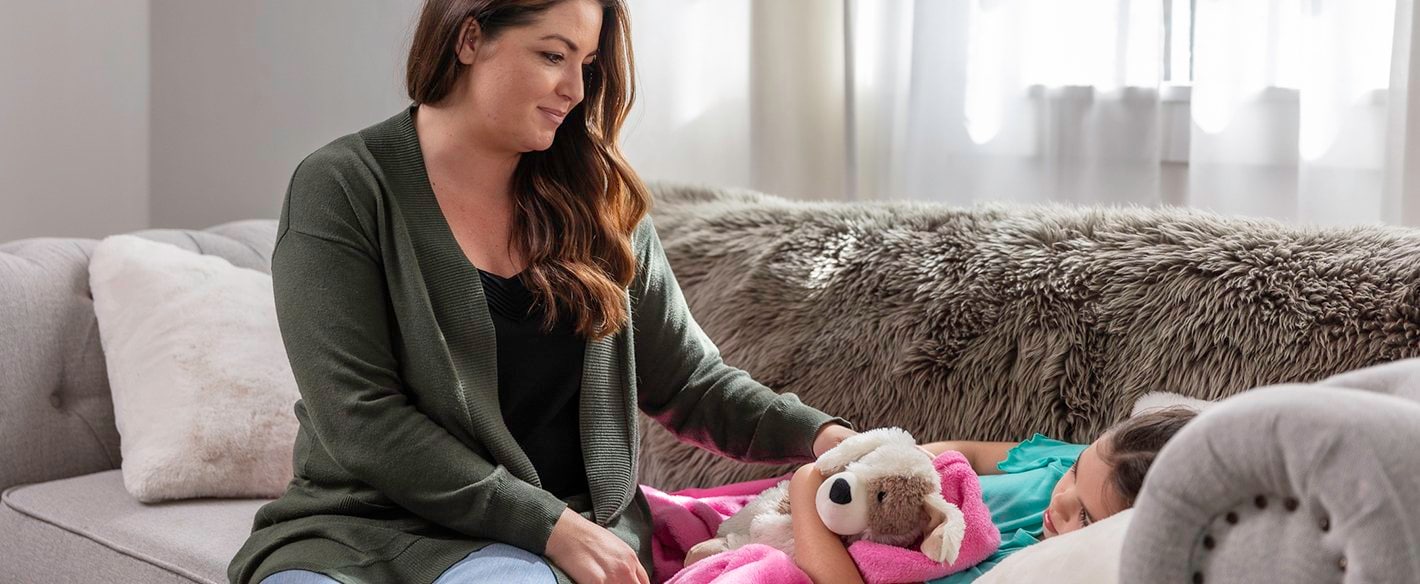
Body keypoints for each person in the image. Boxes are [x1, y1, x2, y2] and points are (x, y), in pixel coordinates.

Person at [224, 1, 857, 583]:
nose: (575, 90)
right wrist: (545, 523)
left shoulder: (601, 204)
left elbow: (690, 383)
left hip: (541, 547)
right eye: (552, 56)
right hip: (359, 530)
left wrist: (826, 437)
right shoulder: (343, 187)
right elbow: (361, 417)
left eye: (586, 64)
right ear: (470, 38)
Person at [781, 407, 1200, 584]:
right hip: (844, 500)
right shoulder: (1079, 466)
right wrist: (904, 468)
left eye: (1086, 517)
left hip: (812, 544)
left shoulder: (1022, 573)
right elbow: (972, 453)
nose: (1062, 499)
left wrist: (806, 485)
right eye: (1075, 470)